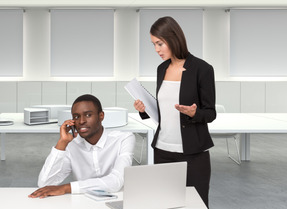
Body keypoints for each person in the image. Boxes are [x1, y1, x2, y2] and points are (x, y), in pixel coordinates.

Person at [134, 16, 216, 208]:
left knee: (196, 204)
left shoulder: (202, 69)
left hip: (193, 155)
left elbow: (210, 113)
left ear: (174, 38)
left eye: (160, 43)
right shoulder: (162, 68)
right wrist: (144, 110)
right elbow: (163, 110)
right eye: (153, 44)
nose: (156, 50)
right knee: (165, 204)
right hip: (162, 151)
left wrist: (193, 113)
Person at [29, 94, 135, 198]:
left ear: (101, 116)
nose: (81, 121)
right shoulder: (71, 145)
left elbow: (116, 182)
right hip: (83, 201)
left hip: (121, 200)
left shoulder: (123, 139)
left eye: (88, 115)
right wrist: (62, 143)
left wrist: (66, 188)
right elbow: (44, 183)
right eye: (76, 116)